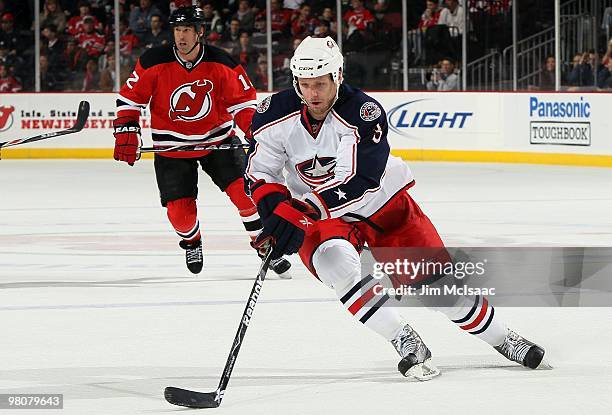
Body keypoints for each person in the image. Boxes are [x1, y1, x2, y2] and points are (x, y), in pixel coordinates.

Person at [245, 36, 546, 379]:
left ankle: (503, 338)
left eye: (320, 84)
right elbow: (260, 172)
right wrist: (274, 212)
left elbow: (358, 180)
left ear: (338, 76)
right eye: (305, 84)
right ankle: (403, 338)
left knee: (438, 290)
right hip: (326, 217)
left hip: (383, 205)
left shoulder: (364, 112)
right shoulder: (273, 114)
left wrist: (300, 211)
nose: (312, 94)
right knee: (333, 266)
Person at [112, 6, 291, 277]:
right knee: (180, 214)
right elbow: (130, 100)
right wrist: (127, 128)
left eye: (186, 30)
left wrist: (255, 132)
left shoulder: (222, 62)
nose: (181, 36)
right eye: (177, 30)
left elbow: (243, 105)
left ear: (200, 33)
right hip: (171, 148)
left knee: (247, 195)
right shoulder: (153, 61)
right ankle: (192, 241)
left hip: (218, 141)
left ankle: (263, 244)